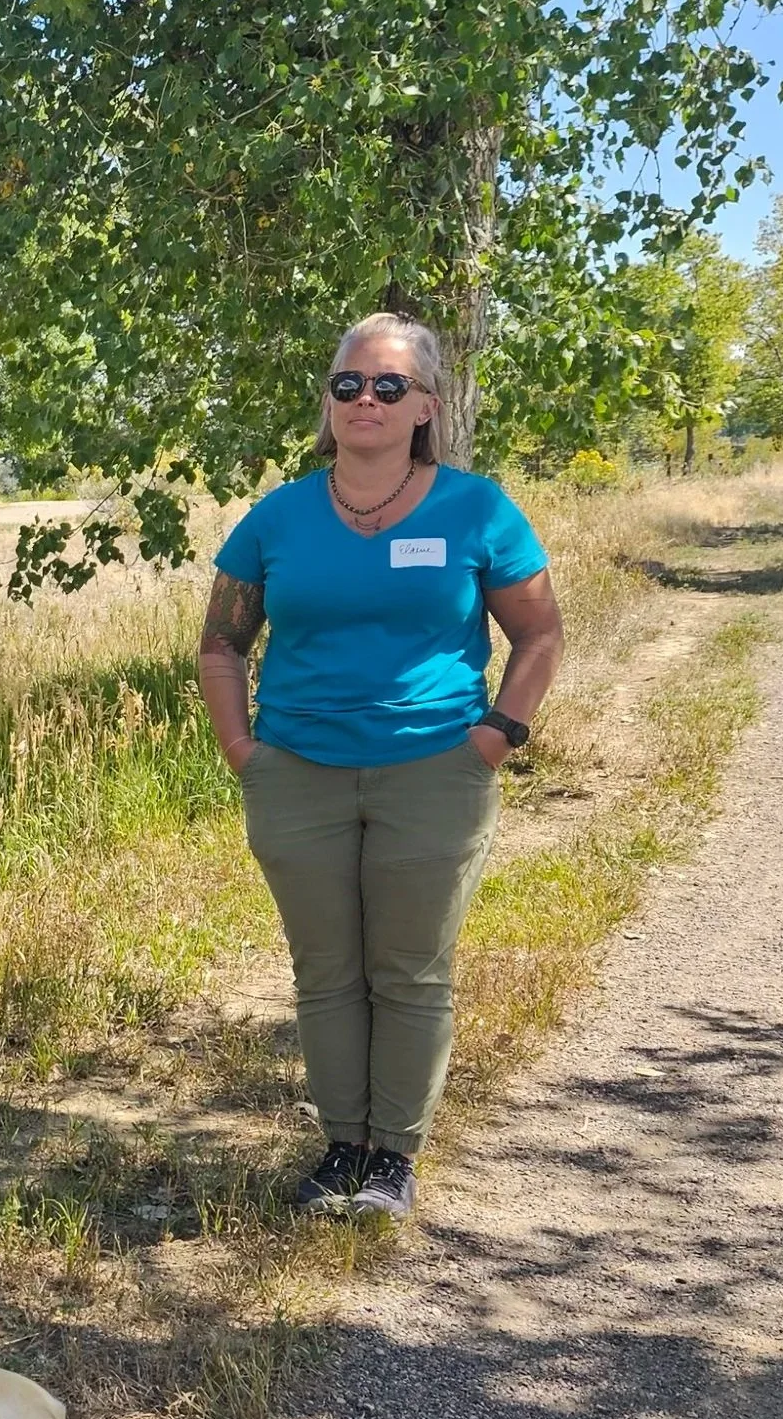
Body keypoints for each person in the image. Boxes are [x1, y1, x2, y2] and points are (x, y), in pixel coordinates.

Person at [197, 312, 565, 1220]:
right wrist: (244, 750)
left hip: (435, 770)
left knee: (409, 970)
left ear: (425, 407)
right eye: (349, 384)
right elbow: (220, 644)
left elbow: (540, 633)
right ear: (328, 402)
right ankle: (341, 1149)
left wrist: (496, 736)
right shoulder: (277, 516)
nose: (366, 398)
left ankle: (393, 1157)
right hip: (298, 774)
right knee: (325, 969)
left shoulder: (478, 509)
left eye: (389, 386)